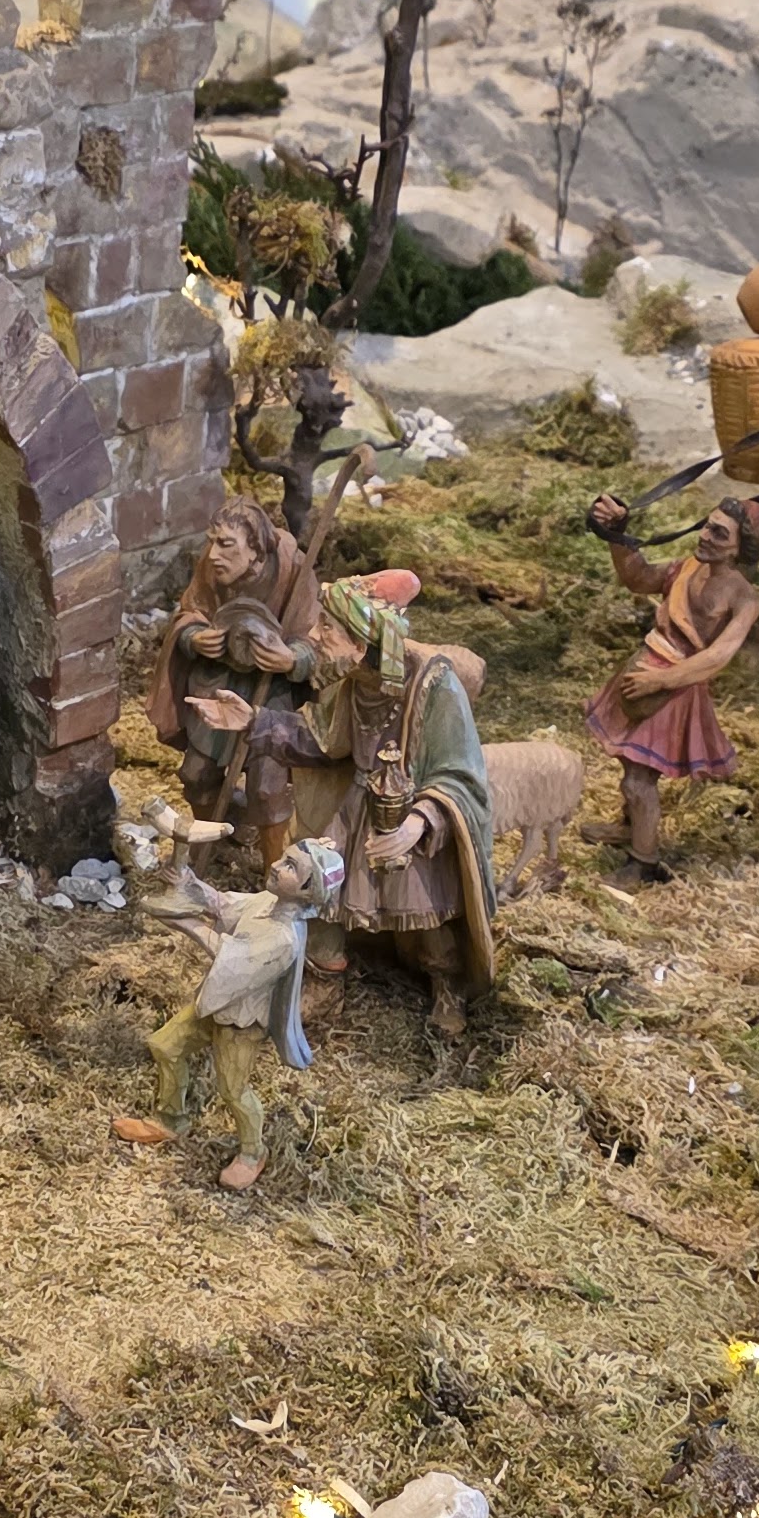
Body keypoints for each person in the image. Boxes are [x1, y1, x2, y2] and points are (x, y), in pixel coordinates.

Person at [294, 577, 497, 1035]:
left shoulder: (434, 685)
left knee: (423, 898)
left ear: (361, 642)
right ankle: (325, 981)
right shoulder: (347, 679)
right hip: (357, 804)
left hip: (415, 816)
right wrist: (253, 723)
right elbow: (318, 742)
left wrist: (417, 824)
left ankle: (447, 983)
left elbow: (461, 774)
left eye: (327, 626)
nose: (313, 634)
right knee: (323, 886)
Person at [131, 838, 337, 1188]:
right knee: (165, 1046)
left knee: (233, 1091)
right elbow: (224, 904)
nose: (276, 866)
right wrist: (189, 882)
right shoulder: (265, 903)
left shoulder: (283, 939)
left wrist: (185, 923)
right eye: (283, 858)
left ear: (308, 890)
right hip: (214, 1004)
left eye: (290, 867)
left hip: (241, 1025)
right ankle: (171, 1119)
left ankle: (253, 1152)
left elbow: (232, 959)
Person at [583, 495, 759, 878]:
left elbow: (717, 657)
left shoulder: (744, 598)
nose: (706, 536)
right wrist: (617, 532)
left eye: (720, 533)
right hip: (644, 671)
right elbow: (638, 578)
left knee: (640, 780)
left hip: (673, 692)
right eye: (707, 525)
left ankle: (643, 861)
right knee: (631, 763)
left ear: (740, 547)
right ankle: (631, 827)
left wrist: (660, 680)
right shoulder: (687, 568)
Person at [145, 495, 323, 857]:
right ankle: (213, 845)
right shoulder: (212, 567)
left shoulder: (293, 569)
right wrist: (194, 637)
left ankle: (277, 869)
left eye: (226, 544)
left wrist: (292, 659)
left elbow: (317, 636)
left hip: (271, 696)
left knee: (267, 789)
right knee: (197, 775)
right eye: (211, 541)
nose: (213, 554)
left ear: (255, 548)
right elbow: (190, 612)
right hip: (218, 686)